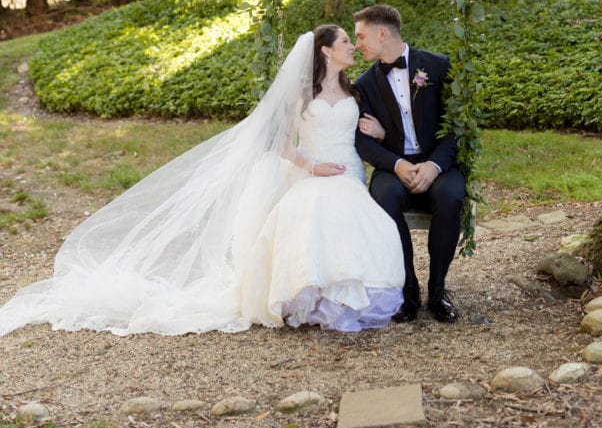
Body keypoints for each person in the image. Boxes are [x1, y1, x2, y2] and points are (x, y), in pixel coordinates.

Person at [0, 27, 404, 336]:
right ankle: (312, 299)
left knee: (360, 222)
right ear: (325, 50)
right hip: (312, 170)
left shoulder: (355, 89)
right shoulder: (302, 93)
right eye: (346, 41)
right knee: (313, 212)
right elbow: (281, 143)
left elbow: (364, 132)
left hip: (348, 170)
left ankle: (352, 295)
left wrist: (381, 137)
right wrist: (311, 167)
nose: (353, 46)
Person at [353, 4, 465, 324]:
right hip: (393, 167)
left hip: (438, 163)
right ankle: (408, 289)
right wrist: (398, 163)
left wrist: (434, 166)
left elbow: (459, 124)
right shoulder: (363, 84)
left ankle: (438, 290)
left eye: (361, 36)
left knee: (451, 196)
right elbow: (362, 140)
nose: (358, 43)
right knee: (383, 197)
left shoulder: (438, 66)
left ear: (382, 33)